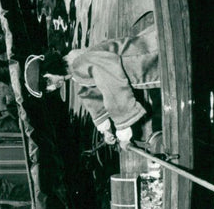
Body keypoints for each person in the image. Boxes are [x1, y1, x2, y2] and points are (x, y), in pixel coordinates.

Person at [23, 25, 162, 147]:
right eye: (48, 89)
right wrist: (106, 129)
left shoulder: (79, 63)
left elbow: (109, 78)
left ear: (49, 68)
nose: (52, 88)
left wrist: (123, 129)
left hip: (153, 57)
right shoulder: (75, 66)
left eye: (48, 82)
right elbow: (90, 91)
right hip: (146, 53)